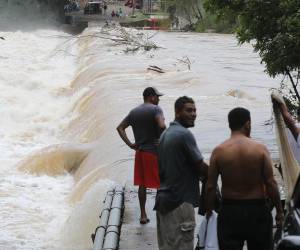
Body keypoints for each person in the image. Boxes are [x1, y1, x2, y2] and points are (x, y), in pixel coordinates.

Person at [206, 107, 284, 250]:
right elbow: (270, 183)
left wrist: (209, 212)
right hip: (257, 210)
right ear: (248, 124)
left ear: (230, 125)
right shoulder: (260, 149)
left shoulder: (219, 151)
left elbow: (210, 186)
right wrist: (279, 211)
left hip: (230, 210)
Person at [154, 96, 208, 250]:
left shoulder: (166, 134)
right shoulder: (184, 135)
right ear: (177, 112)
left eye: (195, 110)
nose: (193, 114)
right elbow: (201, 167)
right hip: (179, 203)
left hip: (164, 200)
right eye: (188, 110)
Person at [117, 87, 166, 224]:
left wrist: (130, 144)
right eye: (157, 96)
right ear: (151, 97)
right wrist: (163, 137)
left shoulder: (133, 112)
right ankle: (160, 215)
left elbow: (120, 128)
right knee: (160, 184)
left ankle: (143, 215)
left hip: (140, 153)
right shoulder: (156, 109)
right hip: (154, 152)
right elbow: (162, 126)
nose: (159, 99)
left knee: (142, 184)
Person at [272, 96, 300, 163]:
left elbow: (289, 121)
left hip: (291, 164)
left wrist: (281, 105)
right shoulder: (294, 128)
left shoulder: (288, 130)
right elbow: (289, 122)